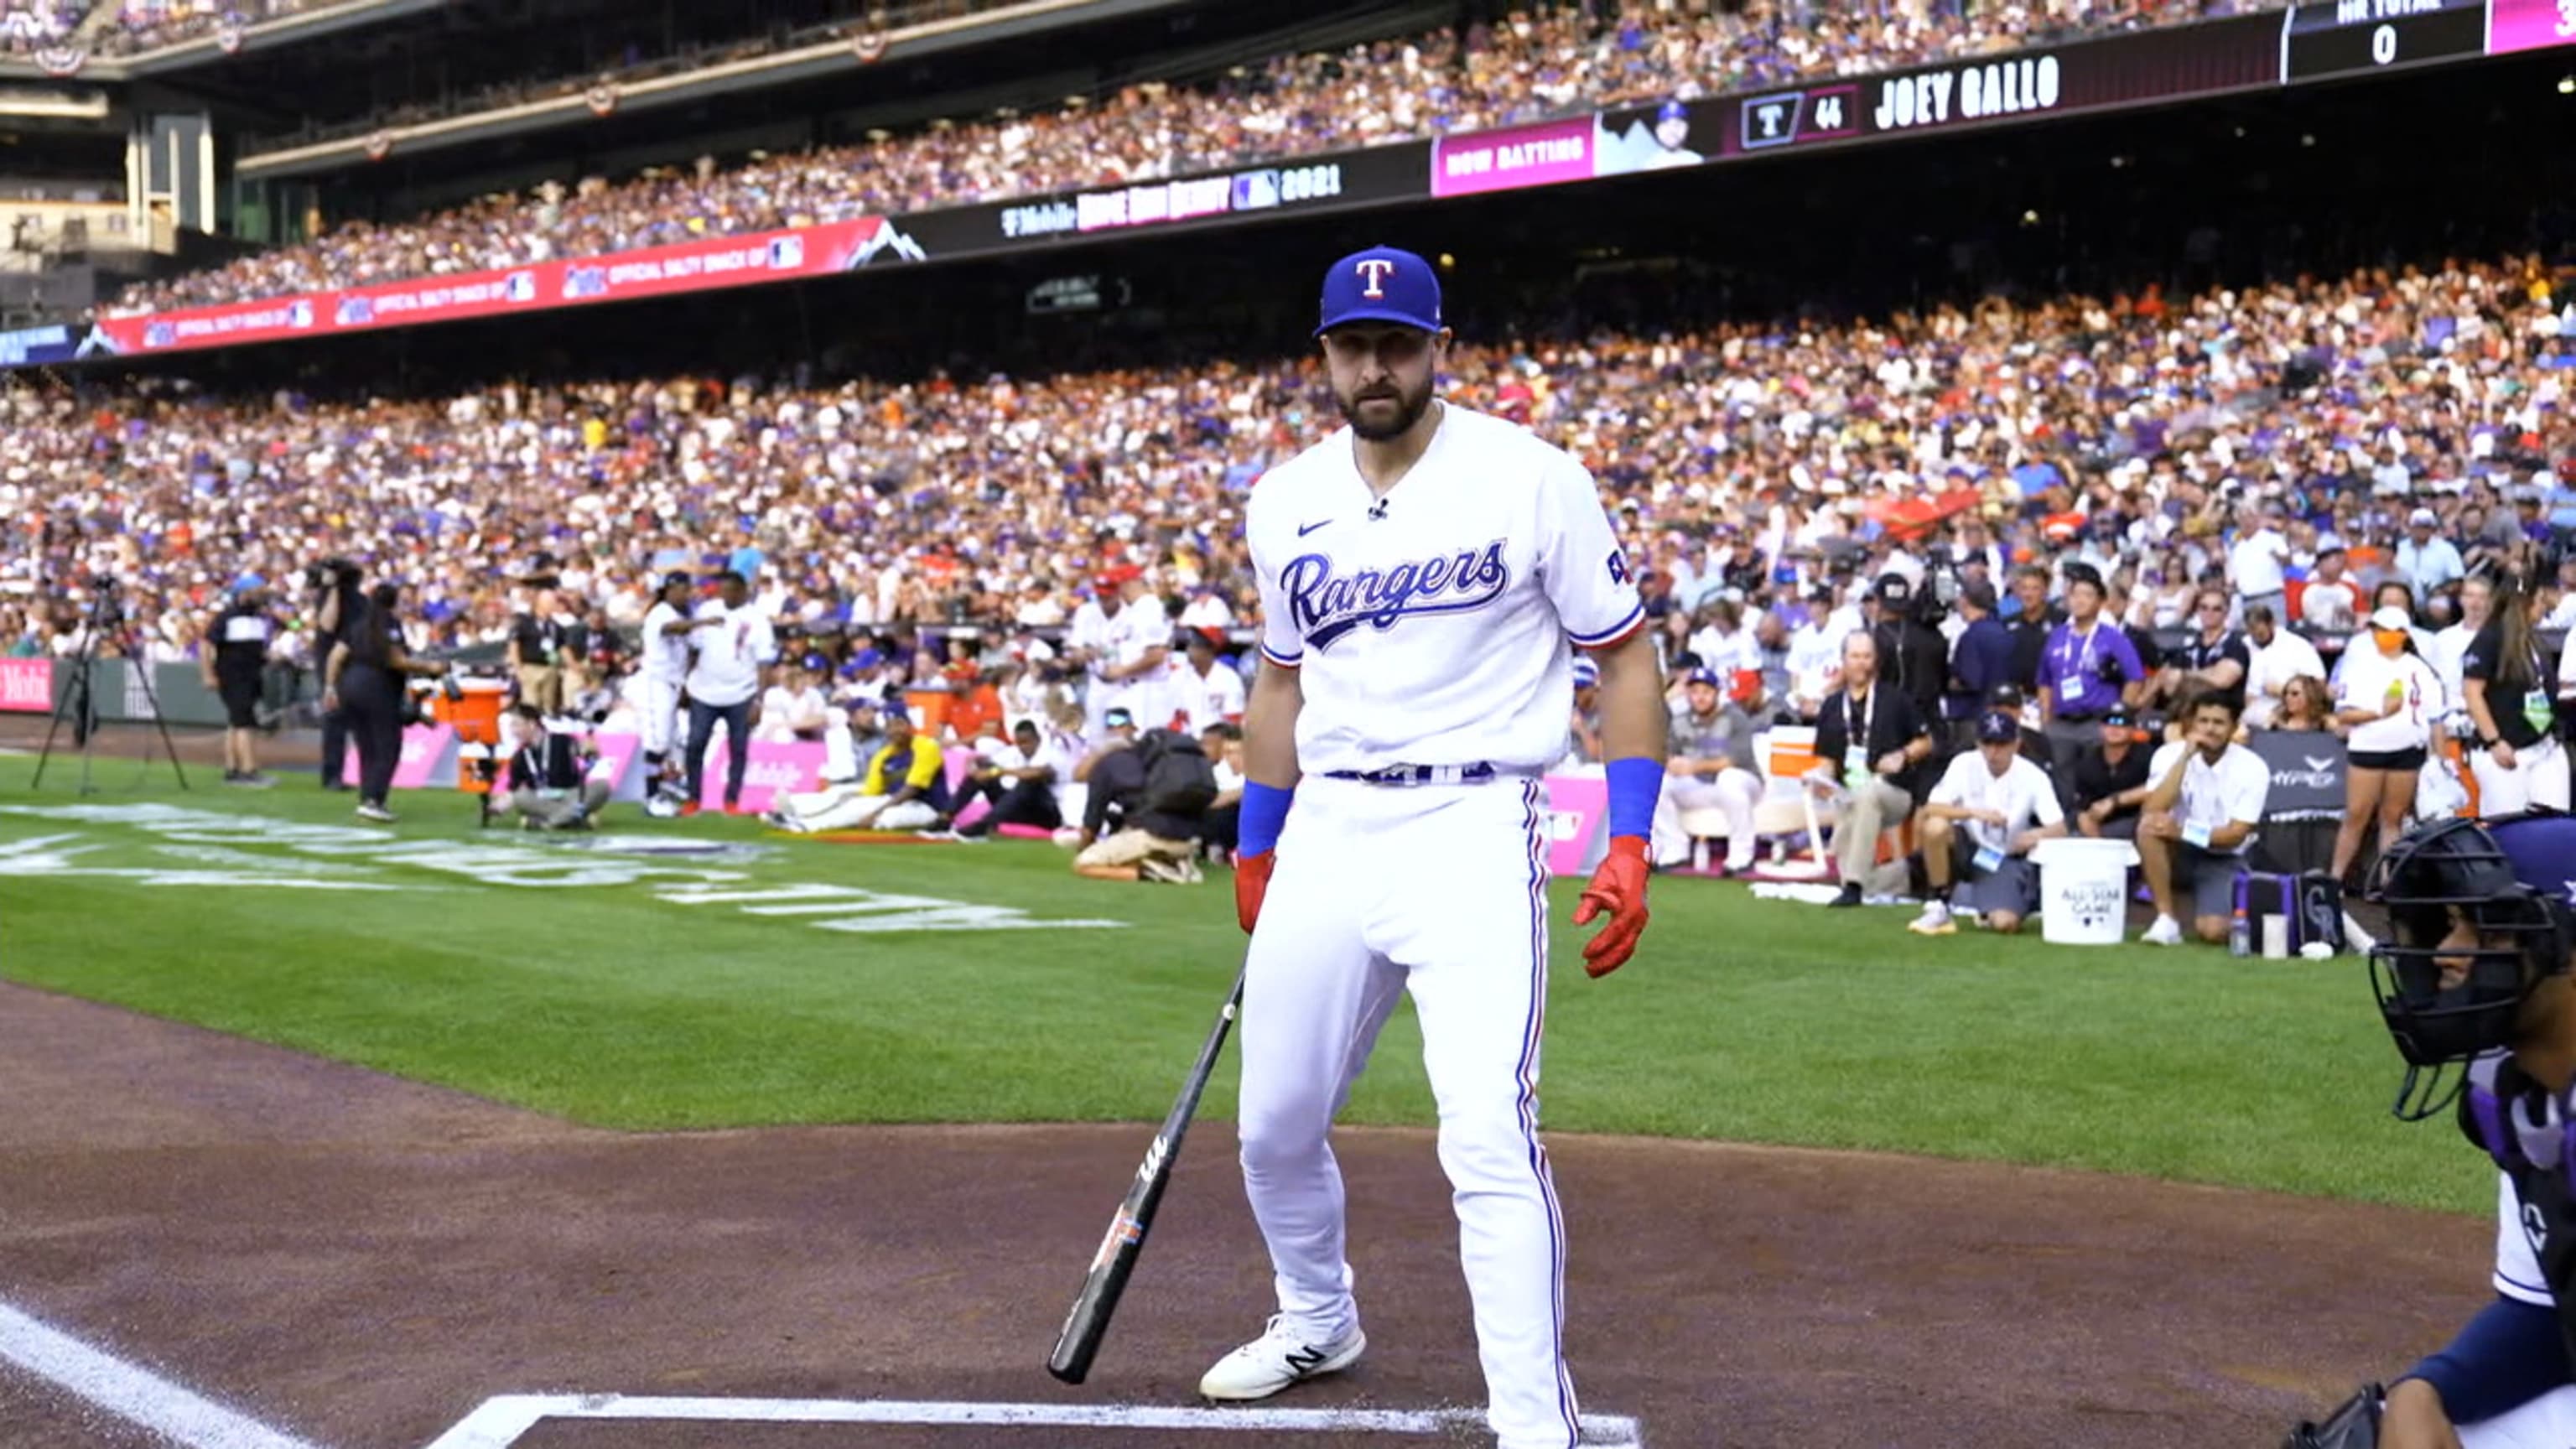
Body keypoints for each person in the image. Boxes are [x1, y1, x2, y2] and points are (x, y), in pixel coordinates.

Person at [1205, 246, 1662, 1449]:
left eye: (1398, 343)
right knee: (1272, 1126)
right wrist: (1259, 841)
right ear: (1324, 357)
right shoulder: (1283, 499)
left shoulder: (1530, 477)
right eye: (1354, 347)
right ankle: (1318, 1318)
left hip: (1473, 820)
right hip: (1333, 826)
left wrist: (1629, 837)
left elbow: (1624, 657)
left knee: (1488, 1135)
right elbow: (1278, 682)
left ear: (1438, 348)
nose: (1376, 365)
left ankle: (1532, 1428)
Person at [2313, 811, 2576, 1446]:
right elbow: (2548, 1318)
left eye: (2476, 929)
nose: (2444, 954)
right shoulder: (2513, 1101)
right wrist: (2427, 1391)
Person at [1803, 630, 1935, 907]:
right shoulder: (1831, 705)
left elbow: (1926, 741)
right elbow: (1826, 761)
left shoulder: (1895, 699)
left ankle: (1853, 886)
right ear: (1843, 660)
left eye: (1866, 656)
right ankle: (1907, 873)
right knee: (1857, 871)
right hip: (1847, 794)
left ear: (1875, 660)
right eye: (1855, 656)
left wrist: (1903, 755)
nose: (1861, 663)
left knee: (1869, 793)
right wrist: (1820, 780)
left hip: (1893, 791)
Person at [1909, 708, 2067, 935]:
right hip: (1969, 846)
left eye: (2001, 744)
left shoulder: (2033, 776)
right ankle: (1939, 904)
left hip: (2003, 855)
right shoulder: (1964, 764)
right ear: (1978, 743)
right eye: (1987, 743)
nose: (1993, 752)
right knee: (1936, 827)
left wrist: (2035, 836)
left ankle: (1991, 905)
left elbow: (2059, 827)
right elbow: (1931, 808)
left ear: (2016, 744)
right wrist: (1973, 813)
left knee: (2005, 924)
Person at [2134, 691, 2271, 945]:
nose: (2210, 729)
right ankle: (2166, 920)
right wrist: (2185, 757)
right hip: (2180, 850)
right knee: (2149, 827)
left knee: (2213, 932)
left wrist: (2184, 831)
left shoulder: (2253, 767)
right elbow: (2152, 810)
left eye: (2218, 723)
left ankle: (2259, 918)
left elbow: (2235, 835)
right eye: (2203, 721)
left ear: (2234, 728)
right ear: (2192, 724)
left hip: (2223, 855)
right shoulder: (2168, 754)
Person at [2331, 605, 2447, 882]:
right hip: (2368, 748)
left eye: (2387, 631)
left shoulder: (2419, 669)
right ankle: (2334, 877)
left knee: (2393, 817)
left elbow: (2436, 718)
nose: (2381, 636)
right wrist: (2379, 713)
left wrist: (2441, 760)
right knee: (2357, 815)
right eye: (2378, 630)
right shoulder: (2359, 665)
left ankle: (2388, 879)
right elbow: (2344, 713)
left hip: (2407, 749)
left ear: (2403, 634)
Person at [321, 580, 449, 824]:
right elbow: (396, 660)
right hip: (377, 687)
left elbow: (335, 656)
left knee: (366, 746)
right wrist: (431, 667)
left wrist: (330, 687)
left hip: (350, 686)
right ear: (393, 603)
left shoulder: (357, 624)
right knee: (387, 747)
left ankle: (366, 797)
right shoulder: (388, 624)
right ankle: (375, 800)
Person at [2464, 574, 2568, 816]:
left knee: (2553, 822)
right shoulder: (2490, 638)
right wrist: (2494, 741)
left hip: (2543, 745)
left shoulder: (2532, 640)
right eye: (2540, 601)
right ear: (2524, 604)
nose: (2544, 608)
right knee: (2509, 826)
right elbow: (2471, 691)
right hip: (2506, 749)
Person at [2035, 564, 2146, 792]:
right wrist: (2046, 719)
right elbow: (2044, 680)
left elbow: (2135, 678)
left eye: (2087, 595)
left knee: (2095, 781)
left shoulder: (2113, 637)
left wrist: (2121, 715)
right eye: (2074, 594)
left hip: (2097, 722)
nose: (2079, 601)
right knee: (2061, 783)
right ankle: (2065, 826)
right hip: (2061, 723)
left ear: (2101, 602)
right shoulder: (2057, 636)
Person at [765, 709, 954, 833]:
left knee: (882, 816)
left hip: (928, 807)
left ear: (910, 726)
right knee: (843, 794)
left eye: (899, 724)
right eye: (890, 727)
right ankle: (795, 810)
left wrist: (875, 811)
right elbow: (871, 790)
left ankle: (806, 825)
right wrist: (851, 795)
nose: (895, 731)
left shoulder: (926, 747)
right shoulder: (885, 755)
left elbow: (912, 789)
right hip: (899, 801)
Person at [680, 570, 773, 817]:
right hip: (704, 690)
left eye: (732, 591)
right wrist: (685, 683)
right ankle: (693, 798)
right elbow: (694, 648)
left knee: (739, 748)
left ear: (743, 592)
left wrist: (759, 700)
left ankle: (731, 800)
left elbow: (765, 662)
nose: (727, 596)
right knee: (695, 743)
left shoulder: (758, 620)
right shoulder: (707, 611)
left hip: (741, 693)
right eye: (723, 591)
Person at [1654, 667, 1763, 875]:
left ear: (1716, 693)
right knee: (1656, 783)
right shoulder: (1680, 721)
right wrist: (1672, 764)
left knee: (1728, 778)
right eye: (1694, 692)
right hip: (1701, 785)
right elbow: (1667, 754)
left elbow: (1736, 760)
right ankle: (1675, 847)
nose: (1700, 698)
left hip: (1745, 783)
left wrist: (1693, 766)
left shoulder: (1734, 717)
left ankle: (1742, 854)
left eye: (1706, 692)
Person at [1073, 725, 1214, 882]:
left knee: (1084, 864)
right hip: (1190, 841)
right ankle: (1175, 861)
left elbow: (1092, 823)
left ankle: (1152, 873)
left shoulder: (1107, 765)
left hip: (1152, 836)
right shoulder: (1166, 763)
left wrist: (1084, 848)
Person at [639, 571, 713, 802]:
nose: (687, 593)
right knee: (658, 741)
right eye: (683, 589)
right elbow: (673, 628)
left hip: (675, 683)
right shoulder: (660, 612)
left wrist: (688, 683)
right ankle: (651, 795)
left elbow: (693, 649)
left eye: (688, 589)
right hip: (655, 682)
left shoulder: (685, 614)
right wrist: (704, 622)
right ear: (670, 589)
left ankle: (667, 788)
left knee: (674, 741)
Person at [489, 704, 607, 830]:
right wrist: (498, 806)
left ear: (532, 724)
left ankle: (547, 823)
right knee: (520, 797)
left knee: (602, 786)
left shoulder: (561, 740)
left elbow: (587, 751)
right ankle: (573, 819)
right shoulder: (519, 756)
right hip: (541, 799)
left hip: (570, 794)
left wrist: (591, 749)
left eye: (516, 725)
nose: (513, 731)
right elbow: (514, 790)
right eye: (512, 726)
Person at [202, 584, 276, 787]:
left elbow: (254, 650)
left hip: (250, 675)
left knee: (236, 722)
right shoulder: (227, 617)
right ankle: (248, 770)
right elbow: (206, 644)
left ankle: (233, 768)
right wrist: (208, 674)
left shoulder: (258, 619)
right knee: (244, 722)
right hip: (233, 676)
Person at [952, 716, 1067, 838]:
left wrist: (999, 772)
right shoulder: (1015, 751)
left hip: (1050, 813)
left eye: (1026, 742)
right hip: (1023, 810)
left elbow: (1037, 773)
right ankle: (946, 817)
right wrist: (973, 766)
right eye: (1019, 743)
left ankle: (984, 825)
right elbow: (986, 762)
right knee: (986, 772)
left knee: (1028, 782)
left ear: (1037, 739)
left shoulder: (1051, 753)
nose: (1022, 747)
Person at [2148, 588, 2249, 716]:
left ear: (2226, 612)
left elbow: (2222, 680)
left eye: (2216, 609)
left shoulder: (2234, 645)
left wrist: (2184, 676)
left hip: (2221, 711)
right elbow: (2169, 681)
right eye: (2204, 608)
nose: (2209, 613)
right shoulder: (2190, 644)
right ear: (2198, 610)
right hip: (2186, 711)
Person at [2070, 705, 2151, 840]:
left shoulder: (2148, 755)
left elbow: (2156, 788)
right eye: (2108, 723)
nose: (2114, 729)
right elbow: (2082, 806)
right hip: (2098, 822)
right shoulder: (2088, 760)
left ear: (2133, 729)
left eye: (2122, 724)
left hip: (2137, 819)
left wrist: (2114, 801)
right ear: (2101, 728)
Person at [2243, 604, 2327, 730]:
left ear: (2272, 624)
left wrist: (2283, 691)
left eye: (2260, 634)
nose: (2256, 638)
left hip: (2293, 710)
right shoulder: (2244, 644)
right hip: (2256, 710)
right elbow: (2249, 696)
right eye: (2252, 633)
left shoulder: (2298, 646)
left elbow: (2319, 685)